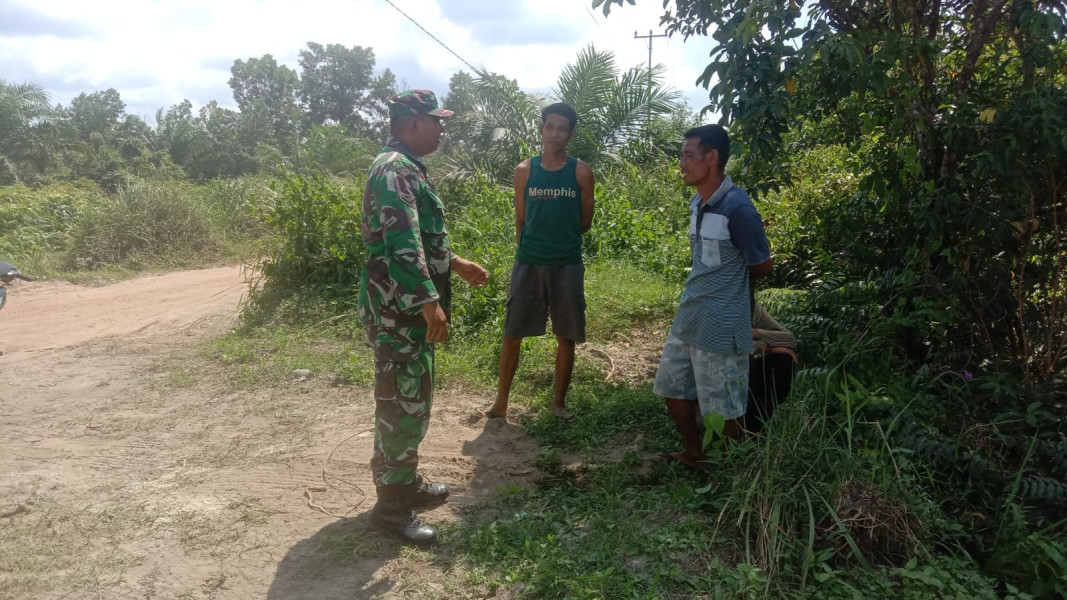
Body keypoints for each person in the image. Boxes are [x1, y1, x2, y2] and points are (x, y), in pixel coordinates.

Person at [358, 89, 488, 544]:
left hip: (404, 308)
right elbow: (400, 246)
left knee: (412, 397)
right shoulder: (395, 170)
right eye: (436, 120)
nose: (441, 127)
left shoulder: (406, 168)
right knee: (401, 402)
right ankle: (391, 509)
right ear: (413, 123)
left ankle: (404, 482)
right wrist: (428, 301)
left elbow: (419, 236)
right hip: (399, 310)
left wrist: (456, 263)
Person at [653, 124, 772, 470]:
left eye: (688, 155)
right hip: (691, 315)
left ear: (712, 157)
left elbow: (761, 265)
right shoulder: (697, 203)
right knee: (672, 387)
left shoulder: (739, 210)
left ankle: (730, 471)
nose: (682, 163)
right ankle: (695, 453)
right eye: (682, 156)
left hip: (722, 323)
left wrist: (727, 285)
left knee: (723, 406)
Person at [483, 103, 595, 424]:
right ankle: (501, 402)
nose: (555, 133)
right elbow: (521, 218)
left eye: (562, 128)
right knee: (512, 332)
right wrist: (531, 247)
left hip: (566, 264)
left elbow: (584, 221)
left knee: (566, 336)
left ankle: (558, 404)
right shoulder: (524, 171)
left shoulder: (581, 172)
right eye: (550, 126)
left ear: (570, 134)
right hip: (528, 263)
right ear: (542, 129)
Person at [745, 301, 798, 434]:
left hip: (747, 367)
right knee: (747, 363)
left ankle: (757, 426)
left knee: (784, 362)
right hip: (718, 373)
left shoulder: (752, 306)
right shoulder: (710, 303)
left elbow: (790, 339)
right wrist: (766, 347)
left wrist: (756, 334)